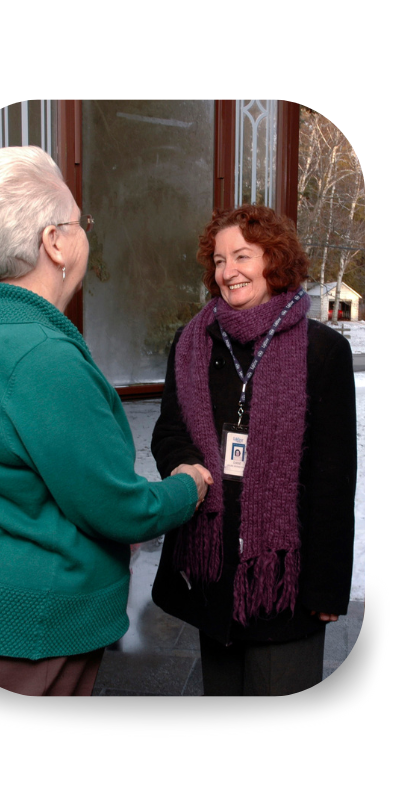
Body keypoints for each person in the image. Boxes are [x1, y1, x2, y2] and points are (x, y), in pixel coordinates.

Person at [0, 146, 211, 697]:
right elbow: (117, 508)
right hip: (33, 625)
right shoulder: (41, 356)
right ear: (54, 242)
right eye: (80, 220)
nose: (85, 232)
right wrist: (188, 487)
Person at [151, 205, 356, 697]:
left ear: (275, 260)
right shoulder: (191, 341)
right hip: (211, 563)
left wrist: (327, 585)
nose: (228, 272)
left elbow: (334, 476)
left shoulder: (322, 350)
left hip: (284, 574)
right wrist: (184, 465)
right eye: (219, 261)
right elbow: (169, 430)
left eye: (242, 256)